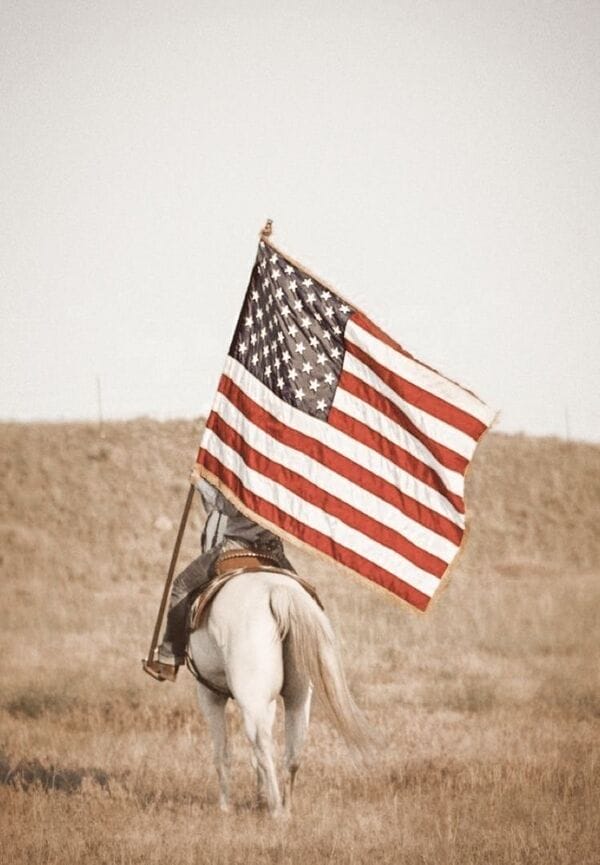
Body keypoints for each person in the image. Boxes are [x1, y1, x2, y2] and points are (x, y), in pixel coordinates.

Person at [145, 470, 294, 682]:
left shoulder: (245, 466)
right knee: (308, 599)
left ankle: (169, 658)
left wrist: (200, 483)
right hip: (272, 550)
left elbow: (229, 508)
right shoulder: (277, 469)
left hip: (236, 546)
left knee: (181, 586)